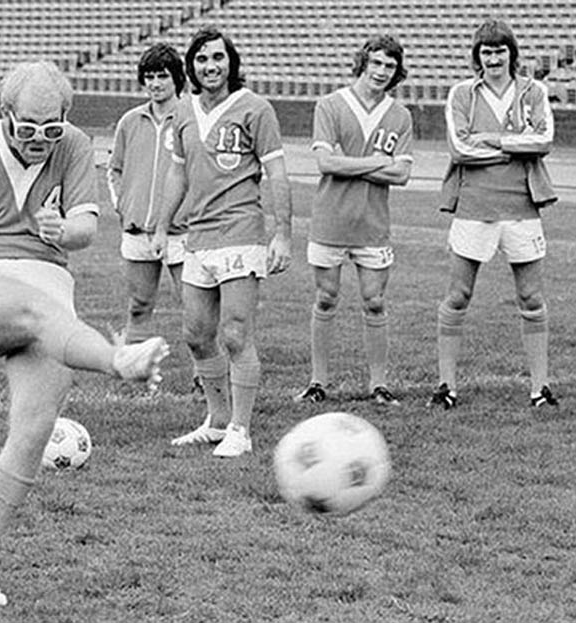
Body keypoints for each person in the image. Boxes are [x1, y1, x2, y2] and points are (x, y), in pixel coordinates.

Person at [0, 60, 170, 606]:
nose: (38, 139)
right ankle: (116, 360)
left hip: (51, 289)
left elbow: (86, 229)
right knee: (33, 310)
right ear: (6, 114)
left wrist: (63, 230)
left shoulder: (74, 145)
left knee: (32, 432)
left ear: (65, 119)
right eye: (26, 127)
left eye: (50, 128)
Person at [151, 25, 293, 457]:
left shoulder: (255, 108)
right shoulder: (183, 112)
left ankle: (240, 429)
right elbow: (177, 172)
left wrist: (282, 233)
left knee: (234, 334)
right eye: (201, 59)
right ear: (191, 67)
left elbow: (277, 173)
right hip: (199, 236)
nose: (210, 66)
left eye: (217, 57)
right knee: (195, 334)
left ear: (231, 62)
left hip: (241, 232)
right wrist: (161, 225)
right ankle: (215, 421)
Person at [431, 18, 558, 409]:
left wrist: (495, 139)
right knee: (458, 295)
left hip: (522, 208)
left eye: (500, 50)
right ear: (477, 56)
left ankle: (540, 388)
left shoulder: (534, 90)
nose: (493, 58)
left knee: (532, 297)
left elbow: (545, 140)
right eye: (486, 51)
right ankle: (446, 386)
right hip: (474, 206)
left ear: (511, 53)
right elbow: (460, 149)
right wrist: (514, 148)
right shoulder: (462, 94)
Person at [294, 34, 413, 405]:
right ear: (363, 62)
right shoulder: (330, 105)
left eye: (389, 66)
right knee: (326, 298)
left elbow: (403, 175)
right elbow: (326, 163)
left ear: (397, 72)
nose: (381, 71)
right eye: (376, 63)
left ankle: (379, 384)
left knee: (375, 301)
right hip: (330, 221)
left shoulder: (400, 115)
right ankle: (317, 383)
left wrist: (352, 163)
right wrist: (379, 162)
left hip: (373, 226)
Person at [107, 42, 201, 393]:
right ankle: (136, 376)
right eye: (149, 77)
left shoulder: (191, 118)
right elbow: (113, 169)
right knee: (138, 306)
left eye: (162, 76)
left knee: (194, 309)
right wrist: (123, 206)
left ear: (177, 78)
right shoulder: (130, 122)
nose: (156, 83)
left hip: (181, 233)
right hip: (137, 231)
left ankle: (202, 377)